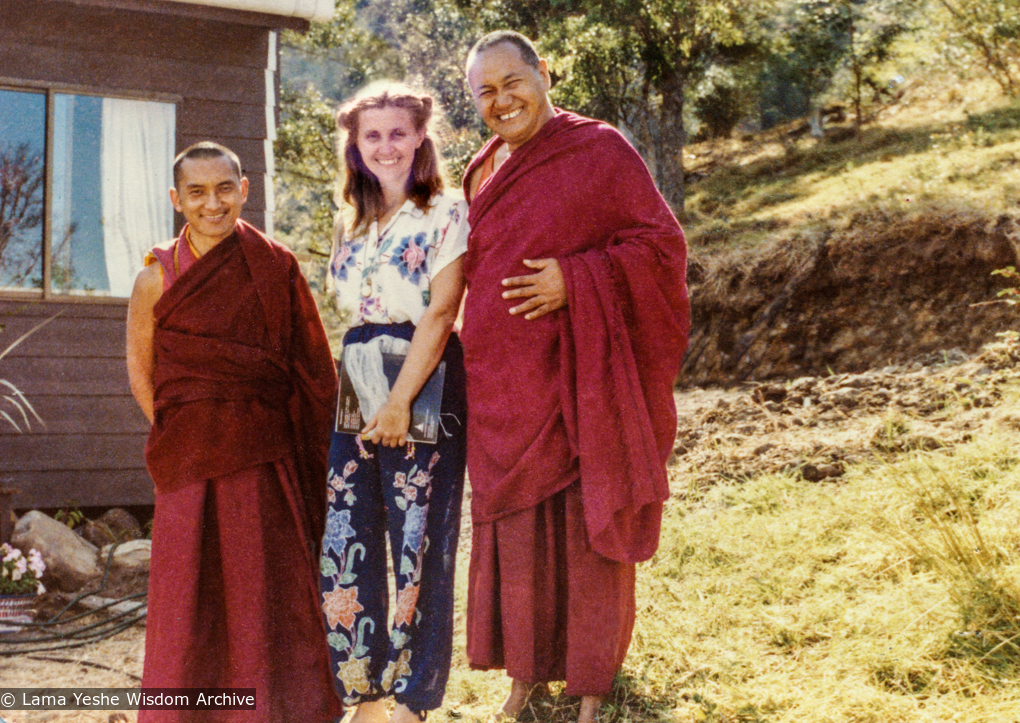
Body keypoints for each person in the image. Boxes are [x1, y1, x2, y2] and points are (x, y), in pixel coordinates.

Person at [460, 31, 691, 723]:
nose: (502, 101)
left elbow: (660, 246)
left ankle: (591, 687)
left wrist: (577, 279)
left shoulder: (598, 149)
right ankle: (525, 677)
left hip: (582, 379)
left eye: (512, 82)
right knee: (520, 530)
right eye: (485, 93)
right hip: (503, 381)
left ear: (545, 72)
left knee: (589, 524)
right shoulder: (481, 169)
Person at [125, 142, 343, 723]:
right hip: (188, 458)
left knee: (259, 590)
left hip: (263, 457)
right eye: (196, 192)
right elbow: (141, 372)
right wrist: (186, 430)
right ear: (176, 200)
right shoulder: (156, 276)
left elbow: (313, 371)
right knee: (185, 596)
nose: (212, 203)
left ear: (245, 189)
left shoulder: (277, 265)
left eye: (224, 188)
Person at [318, 82, 468, 723]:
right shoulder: (349, 220)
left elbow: (441, 312)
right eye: (371, 135)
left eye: (397, 133)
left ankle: (412, 696)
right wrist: (362, 394)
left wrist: (400, 401)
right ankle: (365, 691)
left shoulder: (446, 210)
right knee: (346, 533)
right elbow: (349, 315)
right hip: (357, 372)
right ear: (355, 144)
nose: (386, 146)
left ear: (420, 138)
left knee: (417, 538)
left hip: (422, 372)